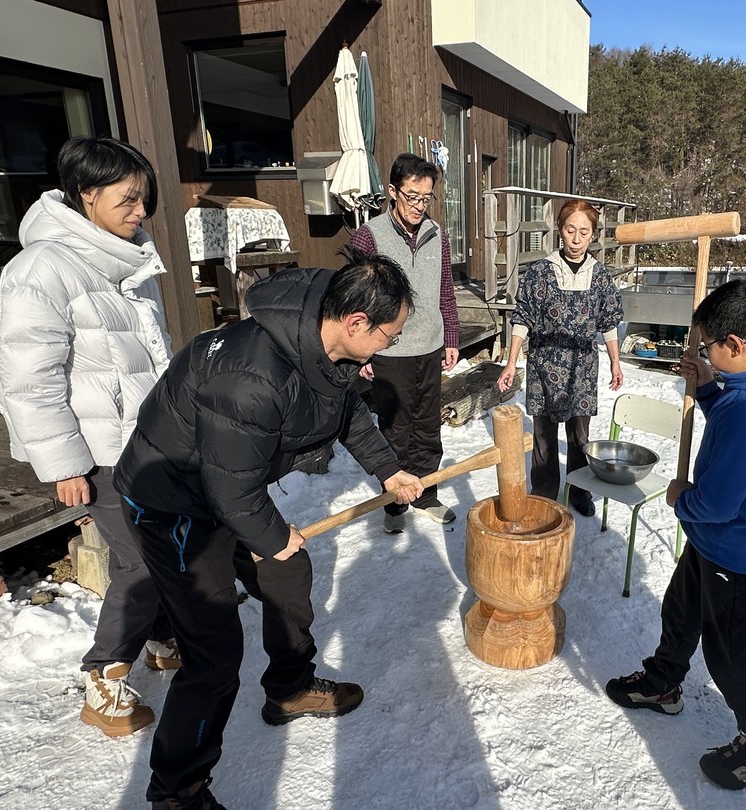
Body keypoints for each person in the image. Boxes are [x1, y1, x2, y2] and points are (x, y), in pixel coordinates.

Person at [113, 250, 424, 809]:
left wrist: (388, 468)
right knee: (213, 655)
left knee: (287, 571)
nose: (388, 346)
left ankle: (289, 688)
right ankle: (176, 790)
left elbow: (345, 409)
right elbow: (230, 490)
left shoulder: (325, 343)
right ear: (356, 323)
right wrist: (272, 536)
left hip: (225, 483)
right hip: (175, 504)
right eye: (388, 336)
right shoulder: (253, 378)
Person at [0, 136, 179, 738]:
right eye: (128, 199)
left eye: (143, 199)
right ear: (86, 194)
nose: (140, 211)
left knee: (160, 548)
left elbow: (150, 358)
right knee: (140, 561)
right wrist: (64, 465)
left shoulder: (129, 258)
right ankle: (103, 674)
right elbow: (30, 378)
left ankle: (162, 639)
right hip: (97, 455)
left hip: (146, 444)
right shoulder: (42, 269)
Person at [606, 279, 746, 791]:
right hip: (713, 545)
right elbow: (731, 419)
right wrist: (709, 387)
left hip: (734, 554)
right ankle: (664, 683)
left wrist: (680, 499)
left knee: (730, 654)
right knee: (681, 610)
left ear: (734, 343)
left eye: (708, 345)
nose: (704, 352)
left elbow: (718, 501)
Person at [349, 153, 460, 534]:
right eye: (412, 196)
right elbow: (355, 299)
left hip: (429, 344)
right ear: (393, 191)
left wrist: (451, 337)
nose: (418, 206)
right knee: (395, 428)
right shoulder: (369, 236)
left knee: (428, 426)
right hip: (388, 350)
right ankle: (395, 503)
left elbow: (446, 289)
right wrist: (361, 350)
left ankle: (426, 493)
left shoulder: (437, 234)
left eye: (426, 198)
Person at [496, 199, 624, 516]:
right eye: (570, 230)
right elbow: (522, 319)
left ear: (593, 234)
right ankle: (543, 495)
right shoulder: (540, 273)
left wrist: (615, 361)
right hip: (543, 365)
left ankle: (579, 491)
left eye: (584, 231)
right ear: (560, 231)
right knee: (543, 435)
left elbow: (608, 323)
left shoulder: (601, 277)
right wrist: (512, 362)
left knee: (580, 435)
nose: (577, 239)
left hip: (582, 367)